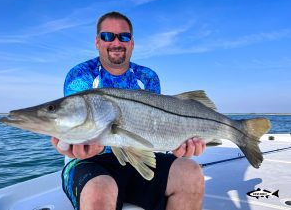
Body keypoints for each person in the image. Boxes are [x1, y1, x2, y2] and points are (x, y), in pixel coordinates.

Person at [52, 11, 206, 210]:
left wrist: (176, 143)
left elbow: (153, 130)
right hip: (90, 162)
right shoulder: (80, 75)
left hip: (137, 157)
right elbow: (74, 122)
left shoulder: (148, 76)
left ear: (132, 43)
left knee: (191, 173)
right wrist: (72, 144)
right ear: (98, 42)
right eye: (108, 36)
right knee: (98, 190)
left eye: (123, 37)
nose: (116, 42)